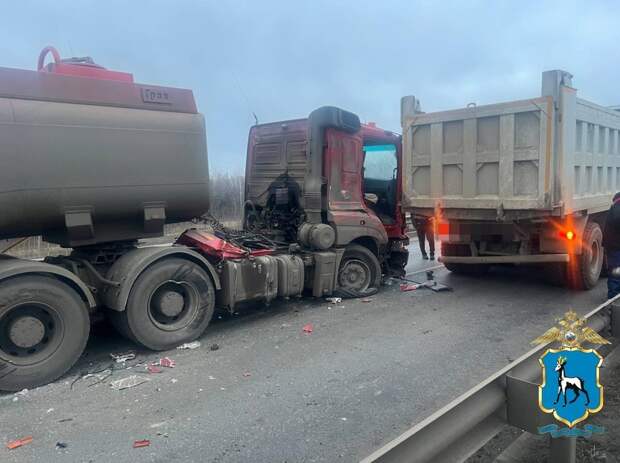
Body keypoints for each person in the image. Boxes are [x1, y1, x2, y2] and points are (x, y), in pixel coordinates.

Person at [603, 192, 620, 299]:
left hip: (613, 246)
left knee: (616, 272)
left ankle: (614, 297)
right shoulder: (617, 210)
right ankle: (613, 299)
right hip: (616, 247)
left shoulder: (614, 208)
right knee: (616, 273)